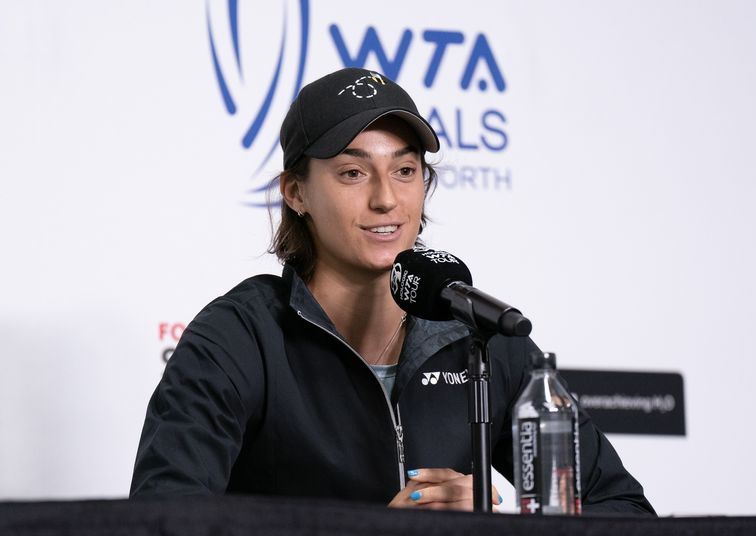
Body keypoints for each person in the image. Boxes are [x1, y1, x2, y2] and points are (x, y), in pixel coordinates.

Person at [130, 67, 655, 514]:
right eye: (353, 172)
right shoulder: (240, 337)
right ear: (296, 192)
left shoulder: (482, 336)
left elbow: (624, 509)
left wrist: (505, 525)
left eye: (405, 170)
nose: (386, 198)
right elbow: (166, 518)